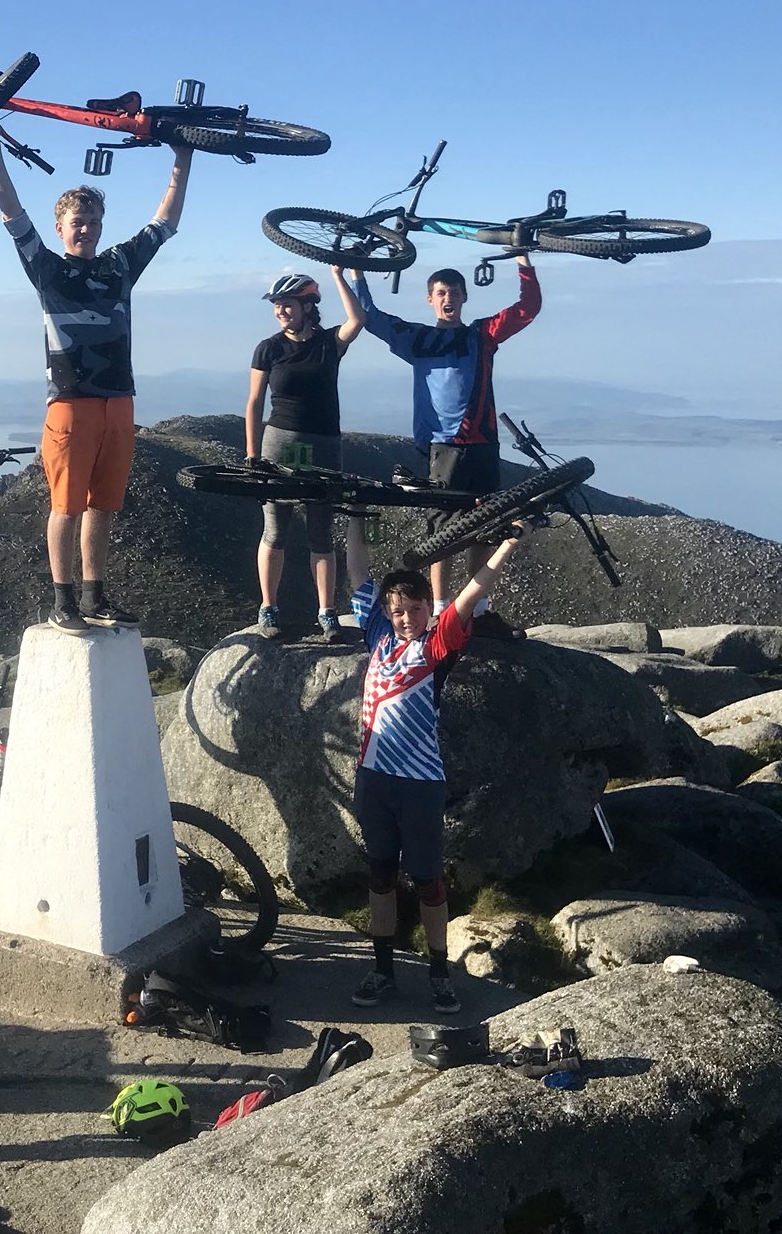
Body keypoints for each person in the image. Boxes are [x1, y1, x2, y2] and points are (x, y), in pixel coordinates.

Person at [0, 131, 194, 632]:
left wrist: (183, 159)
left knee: (104, 505)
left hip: (119, 402)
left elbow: (165, 221)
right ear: (60, 228)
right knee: (66, 505)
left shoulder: (118, 265)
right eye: (79, 223)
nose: (88, 230)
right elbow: (11, 213)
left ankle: (95, 595)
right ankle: (63, 600)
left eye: (94, 222)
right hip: (71, 404)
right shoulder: (48, 269)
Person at [344, 514, 526, 1015]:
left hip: (420, 782)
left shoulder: (437, 644)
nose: (405, 617)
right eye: (398, 610)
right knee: (380, 876)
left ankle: (440, 973)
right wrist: (354, 521)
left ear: (429, 609)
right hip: (373, 779)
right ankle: (382, 971)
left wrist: (507, 543)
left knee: (428, 881)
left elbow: (471, 591)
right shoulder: (377, 636)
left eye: (415, 608)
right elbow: (358, 575)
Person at [341, 257, 539, 638]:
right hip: (443, 447)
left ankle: (478, 611)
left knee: (487, 527)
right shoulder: (419, 339)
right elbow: (370, 315)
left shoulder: (481, 335)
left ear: (465, 297)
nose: (448, 298)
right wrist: (356, 272)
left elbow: (527, 309)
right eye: (441, 293)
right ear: (429, 299)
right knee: (444, 532)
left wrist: (523, 262)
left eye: (454, 293)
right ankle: (443, 611)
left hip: (483, 443)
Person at [243, 271, 364, 640]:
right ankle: (269, 608)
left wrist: (342, 274)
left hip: (324, 444)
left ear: (308, 306)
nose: (280, 310)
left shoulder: (329, 343)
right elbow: (254, 402)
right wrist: (251, 453)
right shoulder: (268, 347)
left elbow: (358, 320)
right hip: (279, 443)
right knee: (275, 530)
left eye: (288, 304)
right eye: (277, 304)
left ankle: (327, 613)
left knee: (321, 533)